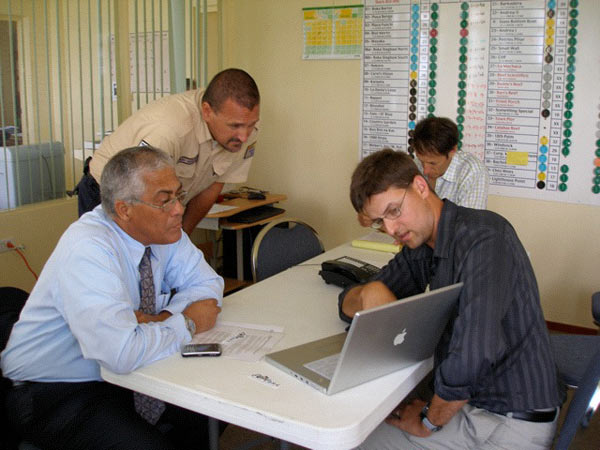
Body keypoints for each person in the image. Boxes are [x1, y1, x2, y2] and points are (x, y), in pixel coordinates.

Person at [2, 146, 224, 450]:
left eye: (179, 195)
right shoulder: (89, 249)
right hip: (55, 391)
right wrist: (186, 322)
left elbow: (208, 284)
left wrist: (162, 320)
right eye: (165, 200)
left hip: (120, 377)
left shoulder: (161, 229)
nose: (178, 209)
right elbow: (121, 353)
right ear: (124, 209)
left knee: (213, 408)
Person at [340, 149, 563, 450]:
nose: (391, 229)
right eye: (380, 221)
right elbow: (350, 300)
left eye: (394, 211)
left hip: (506, 421)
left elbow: (473, 355)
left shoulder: (484, 238)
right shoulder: (422, 242)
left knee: (356, 442)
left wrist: (429, 421)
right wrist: (367, 292)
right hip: (477, 403)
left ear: (421, 187)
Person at [78, 68, 260, 234]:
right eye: (234, 126)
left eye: (250, 125)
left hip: (156, 202)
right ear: (207, 112)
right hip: (114, 194)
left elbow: (212, 188)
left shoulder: (242, 130)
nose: (244, 136)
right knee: (120, 265)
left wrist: (182, 238)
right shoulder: (170, 130)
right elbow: (140, 194)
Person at [411, 116, 489, 209]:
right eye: (421, 161)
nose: (425, 171)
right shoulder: (414, 165)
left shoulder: (473, 171)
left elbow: (468, 222)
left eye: (433, 163)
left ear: (452, 151)